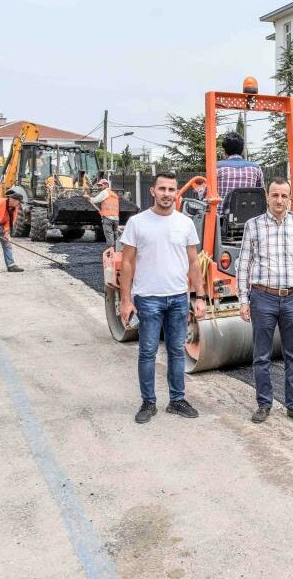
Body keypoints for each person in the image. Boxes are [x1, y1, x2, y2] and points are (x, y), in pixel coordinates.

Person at [117, 172, 207, 424]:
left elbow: (193, 263)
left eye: (171, 189)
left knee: (177, 351)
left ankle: (177, 400)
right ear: (153, 191)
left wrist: (199, 296)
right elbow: (126, 263)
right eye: (162, 189)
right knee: (147, 351)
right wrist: (125, 300)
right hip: (148, 298)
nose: (167, 194)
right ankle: (148, 402)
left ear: (177, 193)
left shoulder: (185, 223)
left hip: (178, 297)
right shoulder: (137, 223)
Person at [236, 177, 293, 425]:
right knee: (262, 356)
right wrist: (243, 299)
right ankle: (264, 404)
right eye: (275, 195)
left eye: (284, 195)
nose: (279, 200)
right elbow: (243, 265)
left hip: (292, 297)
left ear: (289, 198)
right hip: (263, 298)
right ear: (267, 197)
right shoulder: (253, 226)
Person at [217, 132, 263, 210]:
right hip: (248, 218)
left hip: (220, 219)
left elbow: (206, 196)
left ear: (225, 151)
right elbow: (261, 194)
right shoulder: (256, 168)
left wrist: (199, 191)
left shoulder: (216, 168)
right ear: (242, 150)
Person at [83, 178, 119, 247]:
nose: (99, 187)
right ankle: (117, 250)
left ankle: (110, 251)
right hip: (116, 218)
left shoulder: (105, 192)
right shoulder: (114, 194)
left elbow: (95, 200)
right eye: (98, 185)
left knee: (109, 234)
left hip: (108, 218)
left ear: (106, 185)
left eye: (100, 185)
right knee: (115, 233)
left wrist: (88, 197)